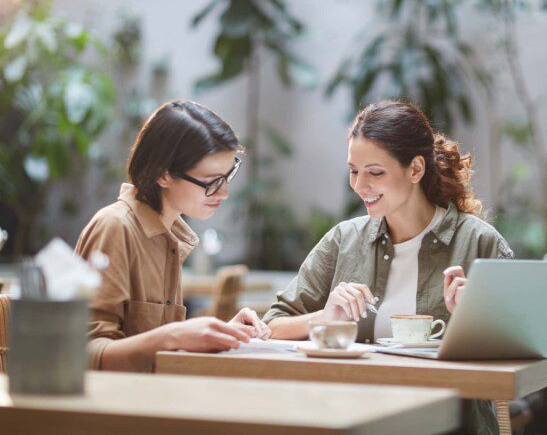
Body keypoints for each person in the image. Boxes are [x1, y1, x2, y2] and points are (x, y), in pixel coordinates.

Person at [263, 99, 514, 435]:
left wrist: (475, 321)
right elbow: (271, 327)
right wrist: (324, 318)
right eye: (353, 171)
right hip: (351, 421)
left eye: (375, 172)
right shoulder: (343, 240)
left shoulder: (479, 243)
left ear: (415, 169)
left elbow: (517, 358)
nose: (359, 185)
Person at [76, 100, 269, 373]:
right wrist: (174, 335)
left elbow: (153, 346)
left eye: (228, 176)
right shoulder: (115, 228)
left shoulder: (170, 236)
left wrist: (219, 332)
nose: (224, 193)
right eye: (211, 182)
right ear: (163, 174)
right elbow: (85, 353)